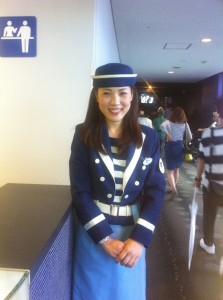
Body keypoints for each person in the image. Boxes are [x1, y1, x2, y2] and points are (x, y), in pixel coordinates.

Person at [69, 63, 166, 300]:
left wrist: (139, 239)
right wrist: (104, 238)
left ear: (132, 95)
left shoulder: (149, 138)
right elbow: (80, 191)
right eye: (107, 93)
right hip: (94, 235)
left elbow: (156, 191)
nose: (115, 101)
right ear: (97, 97)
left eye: (122, 92)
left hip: (132, 237)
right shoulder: (83, 135)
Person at [194, 97, 223, 255]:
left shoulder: (208, 134)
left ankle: (209, 243)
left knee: (209, 215)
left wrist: (197, 179)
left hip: (213, 186)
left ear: (218, 112)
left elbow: (201, 161)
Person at [160, 106, 192, 199]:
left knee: (169, 170)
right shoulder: (185, 124)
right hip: (180, 147)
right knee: (177, 169)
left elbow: (161, 126)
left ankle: (173, 189)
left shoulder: (169, 122)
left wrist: (168, 133)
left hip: (170, 146)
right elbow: (190, 137)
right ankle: (173, 187)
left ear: (173, 114)